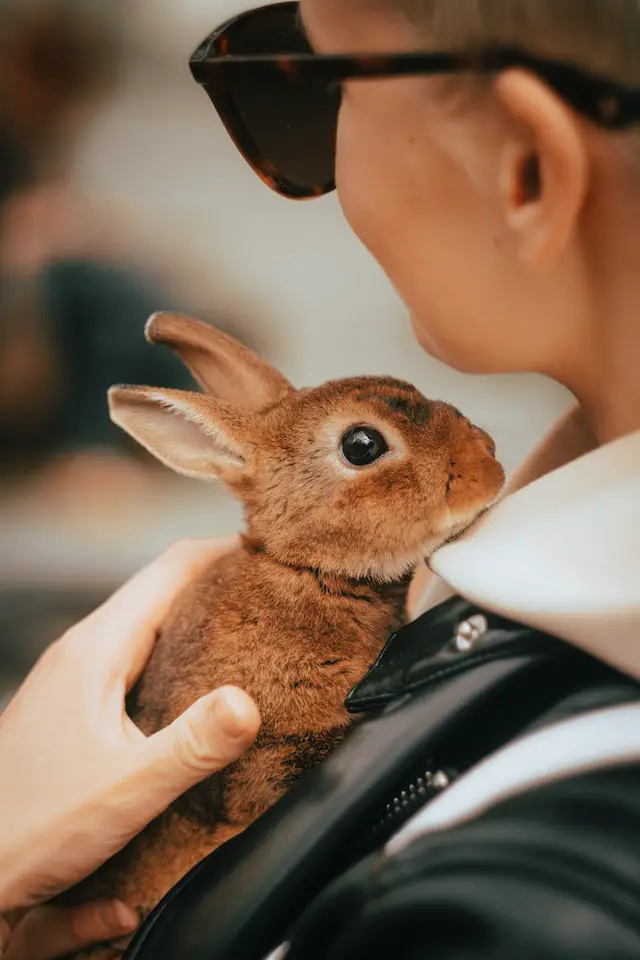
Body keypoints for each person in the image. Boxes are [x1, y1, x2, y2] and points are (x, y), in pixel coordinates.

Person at [2, 0, 640, 956]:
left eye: (329, 80)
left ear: (528, 169)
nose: (312, 166)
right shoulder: (510, 617)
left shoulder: (505, 888)